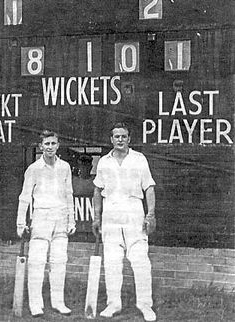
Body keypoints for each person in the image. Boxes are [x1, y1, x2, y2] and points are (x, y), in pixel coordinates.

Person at [92, 122, 157, 322]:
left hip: (133, 212)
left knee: (140, 261)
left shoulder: (139, 159)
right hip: (110, 214)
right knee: (112, 262)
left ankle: (145, 305)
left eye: (124, 136)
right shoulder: (103, 162)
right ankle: (113, 304)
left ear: (129, 139)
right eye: (116, 136)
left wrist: (151, 214)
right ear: (111, 139)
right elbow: (97, 191)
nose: (120, 139)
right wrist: (96, 217)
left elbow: (149, 188)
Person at [16, 130, 76, 317]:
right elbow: (25, 197)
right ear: (41, 146)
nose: (50, 147)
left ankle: (58, 302)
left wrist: (71, 219)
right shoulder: (33, 169)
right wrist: (20, 223)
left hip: (60, 217)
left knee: (59, 261)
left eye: (53, 143)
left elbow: (69, 194)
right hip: (41, 217)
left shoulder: (65, 167)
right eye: (46, 144)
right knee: (37, 261)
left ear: (58, 145)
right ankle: (36, 304)